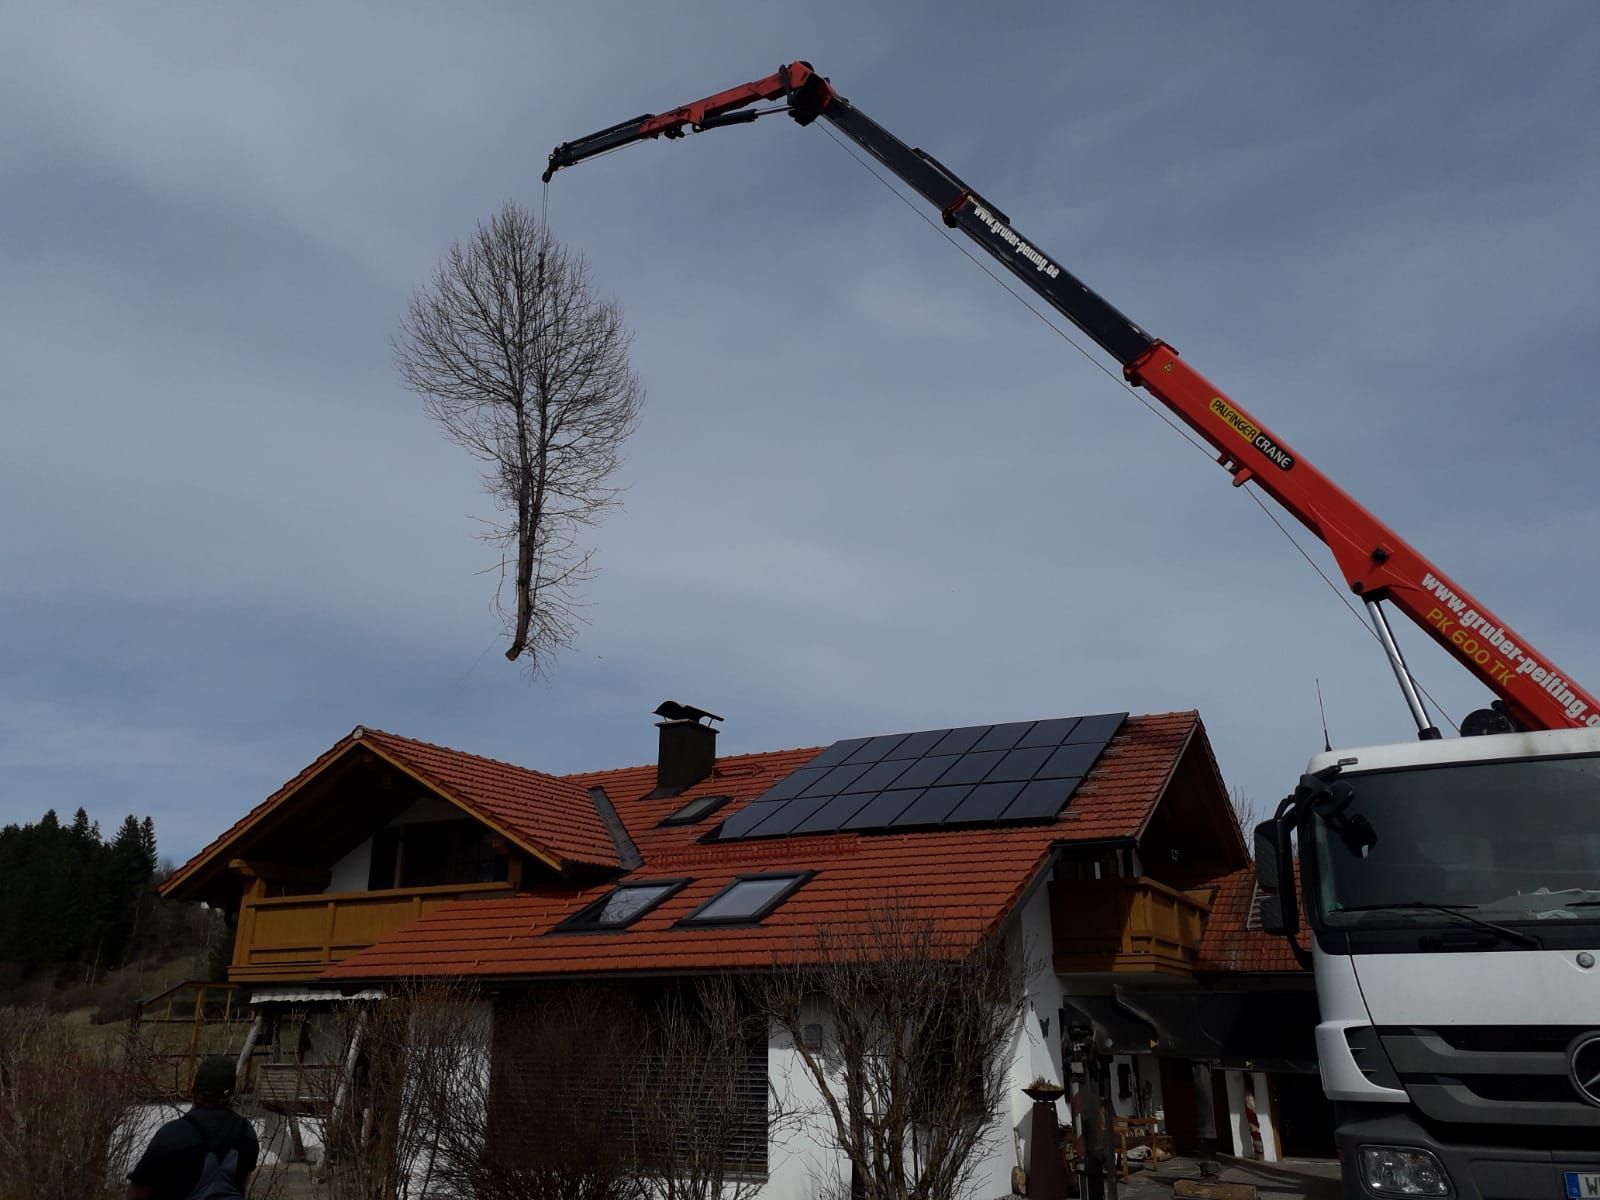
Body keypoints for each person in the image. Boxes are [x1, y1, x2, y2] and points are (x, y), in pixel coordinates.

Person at [127, 1055, 259, 1200]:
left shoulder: (172, 1134)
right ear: (231, 1094)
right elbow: (242, 1184)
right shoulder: (246, 1133)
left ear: (193, 1089)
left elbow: (138, 1192)